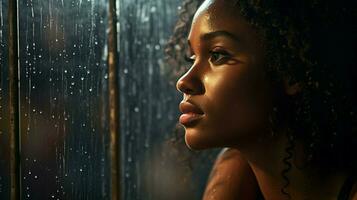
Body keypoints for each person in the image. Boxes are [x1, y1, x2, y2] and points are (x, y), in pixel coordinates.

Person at [168, 0, 357, 199]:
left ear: (290, 70)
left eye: (217, 55)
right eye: (192, 58)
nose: (184, 82)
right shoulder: (236, 167)